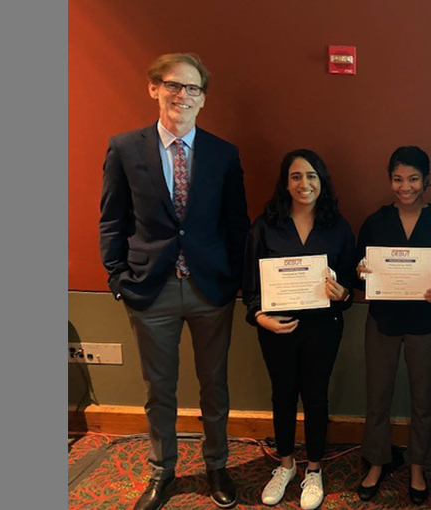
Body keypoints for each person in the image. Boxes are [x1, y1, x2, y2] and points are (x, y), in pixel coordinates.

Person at [98, 53, 249, 510]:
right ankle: (162, 472)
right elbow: (111, 220)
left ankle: (216, 466)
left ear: (204, 99)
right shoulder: (125, 148)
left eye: (193, 88)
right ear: (154, 89)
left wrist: (235, 280)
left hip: (211, 290)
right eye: (174, 85)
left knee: (214, 383)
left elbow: (236, 223)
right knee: (158, 389)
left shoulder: (224, 153)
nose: (183, 95)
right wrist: (117, 278)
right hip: (150, 288)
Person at [242, 149, 355, 510]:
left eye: (311, 176)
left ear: (322, 182)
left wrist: (344, 293)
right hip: (277, 329)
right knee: (282, 395)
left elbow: (350, 284)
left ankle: (314, 469)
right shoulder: (265, 225)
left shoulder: (338, 227)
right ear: (285, 182)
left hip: (324, 328)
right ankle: (286, 464)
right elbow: (250, 287)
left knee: (316, 396)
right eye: (295, 176)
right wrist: (260, 317)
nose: (303, 184)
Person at [353, 146, 431, 505]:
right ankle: (376, 462)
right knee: (377, 398)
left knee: (423, 401)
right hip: (383, 321)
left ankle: (417, 465)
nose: (405, 186)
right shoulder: (375, 222)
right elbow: (358, 271)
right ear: (390, 180)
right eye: (397, 179)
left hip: (426, 324)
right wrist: (361, 272)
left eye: (413, 178)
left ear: (426, 179)